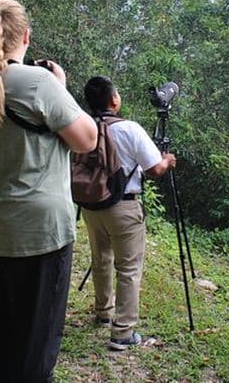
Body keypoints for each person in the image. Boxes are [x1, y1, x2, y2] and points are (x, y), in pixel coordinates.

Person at [0, 0, 97, 382]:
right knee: (34, 350)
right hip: (37, 237)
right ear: (26, 36)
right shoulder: (40, 83)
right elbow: (87, 140)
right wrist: (61, 86)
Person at [79, 76, 176, 351]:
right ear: (113, 100)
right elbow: (155, 170)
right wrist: (166, 159)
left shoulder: (82, 126)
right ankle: (122, 333)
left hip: (91, 205)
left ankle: (103, 312)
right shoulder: (130, 129)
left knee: (101, 260)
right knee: (129, 269)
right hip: (124, 207)